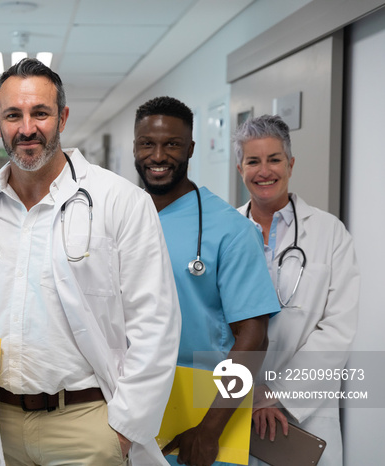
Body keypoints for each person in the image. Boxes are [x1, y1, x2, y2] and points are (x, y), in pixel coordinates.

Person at [0, 58, 181, 465]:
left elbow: (155, 321)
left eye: (40, 113)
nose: (27, 128)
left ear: (62, 117)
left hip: (88, 421)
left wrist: (123, 428)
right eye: (14, 115)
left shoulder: (120, 201)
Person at [132, 97, 280, 466]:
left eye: (172, 144)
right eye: (147, 143)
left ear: (191, 149)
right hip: (130, 407)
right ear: (134, 147)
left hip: (203, 410)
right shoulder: (120, 217)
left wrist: (210, 427)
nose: (158, 156)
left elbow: (253, 337)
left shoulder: (229, 229)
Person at [235, 114, 359, 466]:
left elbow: (337, 329)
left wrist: (275, 394)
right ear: (240, 167)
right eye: (253, 161)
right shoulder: (226, 232)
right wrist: (246, 394)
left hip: (305, 410)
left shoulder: (329, 233)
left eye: (274, 159)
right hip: (235, 407)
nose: (264, 171)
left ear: (290, 164)